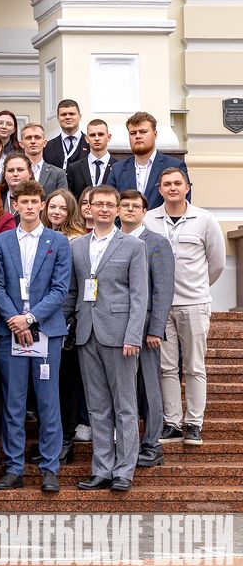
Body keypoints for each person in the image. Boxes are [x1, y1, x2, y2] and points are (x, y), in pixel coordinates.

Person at [65, 185, 149, 492]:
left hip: (120, 336)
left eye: (108, 204)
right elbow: (74, 291)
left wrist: (133, 336)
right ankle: (102, 468)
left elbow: (140, 296)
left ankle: (124, 471)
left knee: (125, 406)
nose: (102, 208)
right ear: (88, 207)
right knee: (98, 406)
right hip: (87, 334)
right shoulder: (77, 246)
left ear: (116, 210)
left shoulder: (132, 246)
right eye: (97, 203)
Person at [0, 180, 71, 493]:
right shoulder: (2, 241)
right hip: (10, 331)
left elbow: (60, 289)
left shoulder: (58, 242)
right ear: (15, 204)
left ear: (42, 205)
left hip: (46, 331)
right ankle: (14, 467)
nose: (27, 206)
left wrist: (30, 318)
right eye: (22, 201)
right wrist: (15, 319)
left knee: (48, 402)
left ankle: (50, 468)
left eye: (33, 201)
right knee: (14, 402)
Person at [145, 167, 225, 445]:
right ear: (159, 189)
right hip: (160, 306)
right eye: (166, 184)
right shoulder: (149, 220)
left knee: (193, 365)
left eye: (177, 183)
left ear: (187, 186)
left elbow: (216, 263)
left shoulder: (205, 219)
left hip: (193, 303)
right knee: (166, 367)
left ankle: (193, 423)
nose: (172, 188)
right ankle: (172, 422)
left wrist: (198, 287)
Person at [118, 189, 175, 467]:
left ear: (143, 212)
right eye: (124, 205)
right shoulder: (112, 241)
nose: (129, 209)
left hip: (146, 329)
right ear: (117, 210)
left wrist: (155, 328)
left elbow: (163, 290)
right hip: (116, 327)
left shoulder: (157, 243)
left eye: (135, 206)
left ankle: (152, 444)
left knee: (149, 386)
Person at [44, 187, 92, 458]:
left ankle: (67, 439)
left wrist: (66, 320)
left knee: (67, 383)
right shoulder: (40, 235)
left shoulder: (76, 241)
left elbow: (73, 286)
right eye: (53, 207)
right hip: (41, 319)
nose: (57, 212)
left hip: (66, 321)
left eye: (63, 208)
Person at [110, 111, 191, 209]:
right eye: (133, 133)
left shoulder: (175, 166)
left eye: (143, 132)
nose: (138, 136)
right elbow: (111, 204)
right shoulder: (117, 169)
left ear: (155, 134)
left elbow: (183, 204)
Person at [67, 118, 113, 196]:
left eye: (101, 134)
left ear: (109, 137)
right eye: (92, 135)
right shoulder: (74, 168)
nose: (97, 138)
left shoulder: (118, 167)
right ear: (87, 139)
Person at [19, 124, 67, 196]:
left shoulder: (58, 173)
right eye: (28, 138)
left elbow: (63, 201)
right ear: (21, 144)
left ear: (45, 143)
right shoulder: (14, 172)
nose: (33, 141)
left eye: (37, 137)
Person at [43, 99, 89, 171]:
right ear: (58, 118)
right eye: (63, 114)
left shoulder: (90, 143)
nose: (67, 117)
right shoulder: (48, 147)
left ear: (80, 116)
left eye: (72, 114)